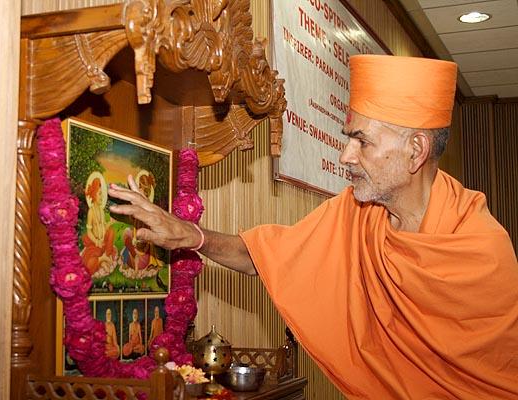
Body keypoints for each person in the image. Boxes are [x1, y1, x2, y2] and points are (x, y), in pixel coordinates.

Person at [108, 55, 518, 399]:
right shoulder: (358, 213)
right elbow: (265, 256)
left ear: (415, 151)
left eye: (362, 141)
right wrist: (190, 235)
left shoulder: (482, 251)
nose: (345, 156)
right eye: (347, 138)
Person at [81, 172, 117, 278]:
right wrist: (96, 241)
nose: (102, 196)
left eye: (103, 193)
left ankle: (106, 255)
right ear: (93, 194)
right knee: (89, 263)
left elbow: (104, 228)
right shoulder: (91, 211)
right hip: (95, 243)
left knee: (111, 232)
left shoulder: (101, 211)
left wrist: (110, 223)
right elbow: (89, 231)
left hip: (103, 243)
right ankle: (101, 260)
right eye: (100, 193)